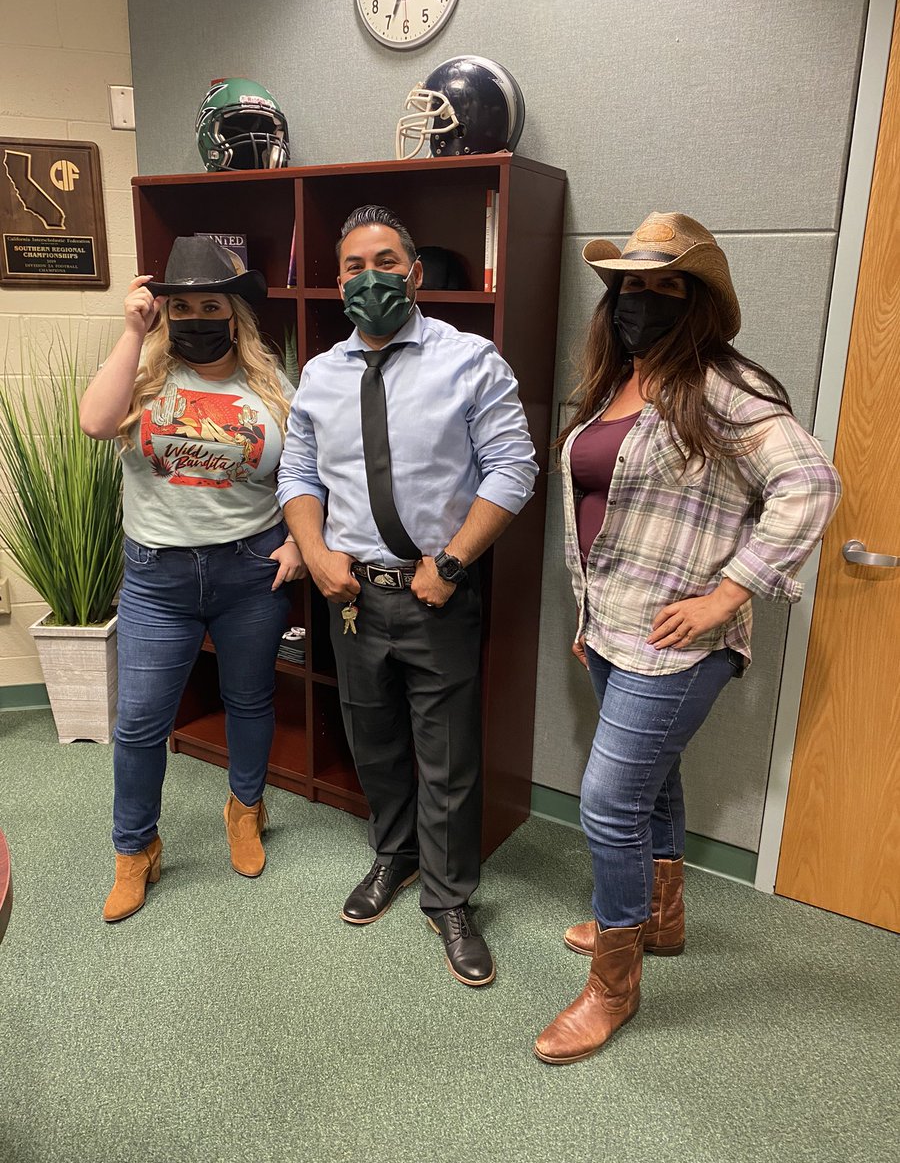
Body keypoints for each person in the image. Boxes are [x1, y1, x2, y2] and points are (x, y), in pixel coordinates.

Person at [534, 212, 841, 1064]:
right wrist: (594, 621)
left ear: (697, 300)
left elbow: (811, 483)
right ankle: (660, 918)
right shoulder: (618, 379)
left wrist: (729, 593)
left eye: (664, 285)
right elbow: (606, 510)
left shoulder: (721, 386)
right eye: (630, 286)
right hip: (615, 629)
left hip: (678, 644)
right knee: (652, 781)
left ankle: (613, 984)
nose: (641, 300)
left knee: (607, 802)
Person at [277, 205, 537, 987]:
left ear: (415, 273)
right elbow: (298, 474)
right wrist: (316, 552)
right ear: (338, 281)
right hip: (351, 596)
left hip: (434, 595)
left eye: (385, 262)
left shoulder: (470, 360)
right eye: (354, 267)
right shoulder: (321, 374)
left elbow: (513, 468)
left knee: (448, 756)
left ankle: (449, 898)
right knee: (374, 740)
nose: (370, 278)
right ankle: (393, 855)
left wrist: (451, 564)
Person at [80, 237, 305, 922]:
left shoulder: (273, 387)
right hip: (158, 580)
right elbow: (94, 423)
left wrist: (298, 539)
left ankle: (246, 810)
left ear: (235, 315)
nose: (197, 319)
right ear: (165, 313)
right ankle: (134, 850)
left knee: (249, 701)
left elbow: (310, 473)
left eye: (212, 306)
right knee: (140, 723)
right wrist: (131, 333)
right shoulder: (145, 378)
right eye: (182, 307)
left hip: (250, 571)